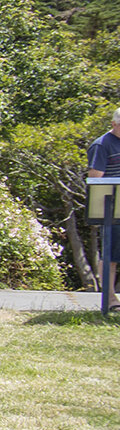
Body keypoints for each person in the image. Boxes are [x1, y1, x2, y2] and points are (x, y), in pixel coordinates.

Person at [88, 106, 120, 295]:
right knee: (111, 254)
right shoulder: (101, 145)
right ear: (113, 124)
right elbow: (95, 181)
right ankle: (109, 298)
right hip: (112, 209)